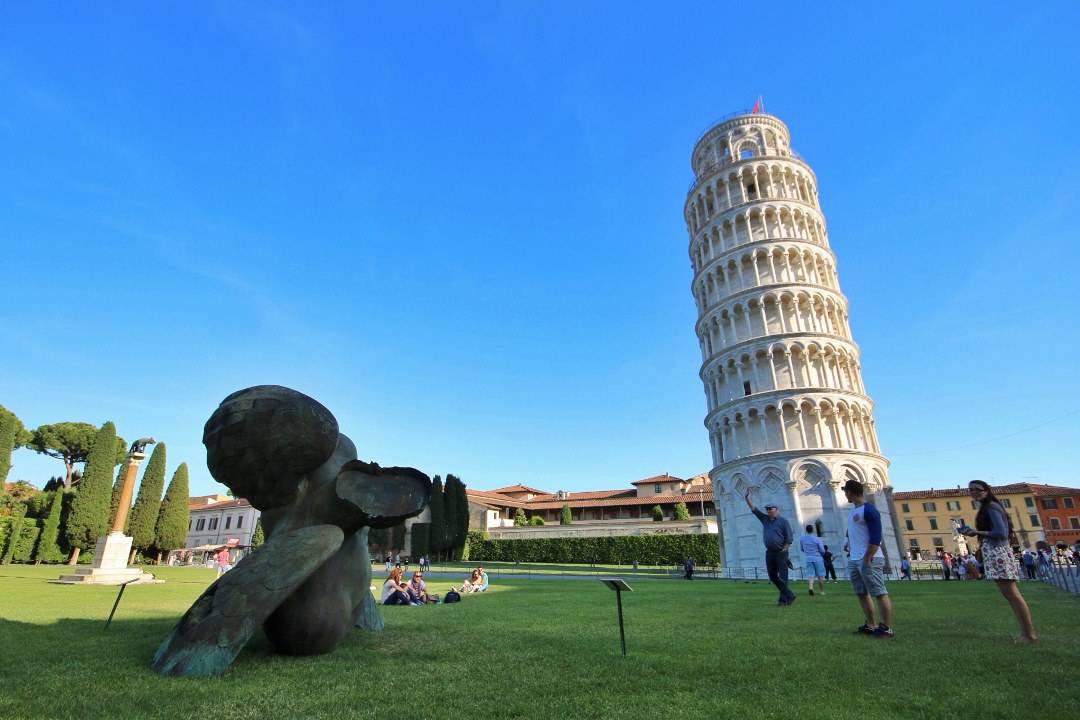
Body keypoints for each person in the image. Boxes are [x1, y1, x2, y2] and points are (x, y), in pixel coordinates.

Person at [961, 480, 1037, 643]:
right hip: (995, 553)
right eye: (971, 490)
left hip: (998, 554)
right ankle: (1026, 633)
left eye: (977, 490)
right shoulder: (987, 507)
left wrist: (976, 531)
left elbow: (1001, 532)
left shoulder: (991, 507)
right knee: (1010, 595)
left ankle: (1029, 635)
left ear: (986, 491)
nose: (974, 493)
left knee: (1013, 595)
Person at [842, 479, 893, 638]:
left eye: (846, 492)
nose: (845, 495)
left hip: (869, 559)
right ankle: (871, 625)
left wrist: (867, 557)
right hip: (854, 559)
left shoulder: (869, 510)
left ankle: (886, 628)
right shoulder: (853, 511)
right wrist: (847, 543)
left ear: (850, 492)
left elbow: (876, 538)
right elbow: (851, 532)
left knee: (879, 592)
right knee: (861, 592)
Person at [744, 488, 795, 607]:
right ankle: (790, 594)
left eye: (770, 509)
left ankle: (783, 601)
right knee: (772, 576)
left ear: (776, 510)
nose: (768, 511)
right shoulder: (765, 519)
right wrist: (747, 498)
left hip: (781, 553)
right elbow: (754, 510)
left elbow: (789, 537)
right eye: (767, 509)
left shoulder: (783, 522)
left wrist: (785, 548)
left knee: (783, 577)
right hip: (770, 553)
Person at [799, 525, 827, 596]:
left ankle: (811, 587)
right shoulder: (816, 539)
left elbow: (802, 549)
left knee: (810, 574)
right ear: (813, 530)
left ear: (806, 530)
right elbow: (822, 550)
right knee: (820, 575)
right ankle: (821, 591)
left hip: (808, 558)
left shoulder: (802, 539)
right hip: (817, 558)